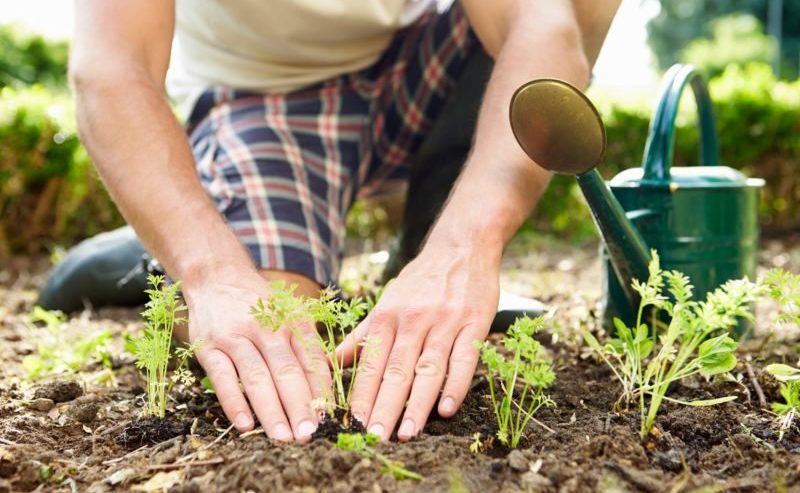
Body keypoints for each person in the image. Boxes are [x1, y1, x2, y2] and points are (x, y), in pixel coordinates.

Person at [59, 0, 620, 444]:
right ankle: (178, 235)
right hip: (266, 96)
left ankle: (424, 253)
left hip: (417, 66)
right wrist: (209, 271)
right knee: (275, 322)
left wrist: (465, 246)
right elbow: (111, 69)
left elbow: (542, 26)